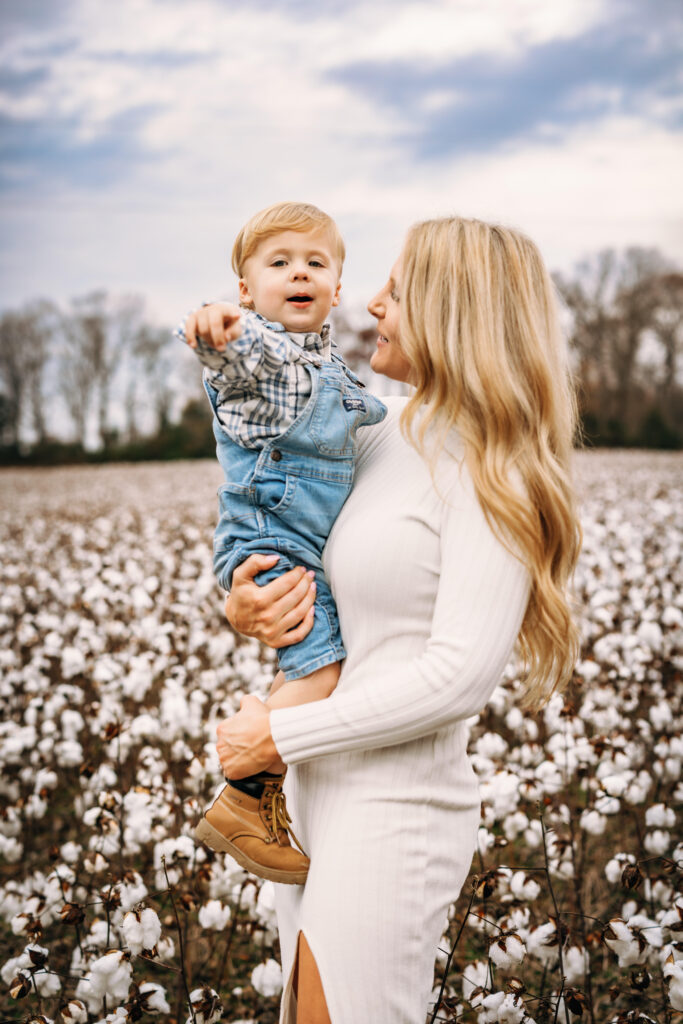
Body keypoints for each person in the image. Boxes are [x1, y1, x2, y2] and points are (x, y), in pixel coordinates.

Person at [197, 216, 581, 1024]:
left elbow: (456, 678)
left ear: (453, 309)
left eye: (397, 290)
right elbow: (283, 526)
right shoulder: (372, 433)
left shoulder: (491, 464)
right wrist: (240, 601)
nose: (369, 303)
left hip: (394, 809)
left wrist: (278, 738)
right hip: (311, 802)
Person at [178, 201, 386, 886]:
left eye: (315, 263)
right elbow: (237, 359)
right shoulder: (263, 359)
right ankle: (243, 793)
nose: (299, 272)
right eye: (278, 263)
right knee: (322, 672)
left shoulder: (326, 363)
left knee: (310, 666)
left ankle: (262, 776)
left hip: (294, 547)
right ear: (245, 291)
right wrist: (218, 331)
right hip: (276, 544)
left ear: (336, 286)